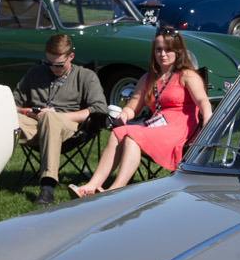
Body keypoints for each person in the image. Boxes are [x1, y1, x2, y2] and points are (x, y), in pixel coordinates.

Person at [69, 25, 212, 197]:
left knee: (132, 137)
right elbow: (133, 106)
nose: (163, 54)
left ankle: (115, 190)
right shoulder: (148, 78)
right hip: (156, 126)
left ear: (178, 51)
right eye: (158, 50)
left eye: (168, 50)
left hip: (180, 129)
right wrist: (125, 114)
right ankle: (90, 186)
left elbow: (203, 100)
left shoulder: (187, 75)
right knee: (118, 132)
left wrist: (208, 117)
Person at [13, 34, 107, 205]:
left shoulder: (85, 76)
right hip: (35, 123)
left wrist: (57, 116)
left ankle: (47, 186)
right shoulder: (35, 73)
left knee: (50, 117)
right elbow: (12, 104)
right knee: (4, 119)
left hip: (70, 127)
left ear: (71, 56)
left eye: (58, 64)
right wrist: (28, 111)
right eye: (48, 63)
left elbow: (99, 109)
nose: (53, 68)